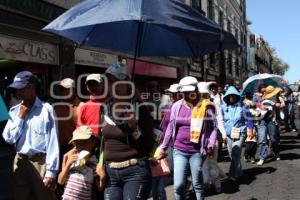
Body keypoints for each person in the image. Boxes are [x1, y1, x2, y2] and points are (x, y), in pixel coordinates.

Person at [156, 76, 217, 200]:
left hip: (197, 152)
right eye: (184, 92)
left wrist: (211, 143)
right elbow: (170, 128)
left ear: (196, 90)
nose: (187, 94)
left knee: (197, 184)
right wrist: (163, 147)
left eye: (190, 92)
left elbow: (212, 127)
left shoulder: (206, 106)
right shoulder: (176, 106)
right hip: (179, 150)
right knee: (178, 185)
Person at [2, 71, 59, 200]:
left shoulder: (46, 110)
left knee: (44, 197)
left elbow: (53, 142)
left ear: (31, 87)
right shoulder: (15, 111)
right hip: (20, 162)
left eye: (21, 88)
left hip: (40, 163)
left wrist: (51, 172)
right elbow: (9, 138)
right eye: (16, 89)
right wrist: (20, 117)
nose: (17, 93)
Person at [102, 63, 155, 200]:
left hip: (135, 171)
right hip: (110, 172)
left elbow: (148, 146)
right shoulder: (104, 108)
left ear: (126, 83)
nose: (110, 84)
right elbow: (102, 141)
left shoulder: (139, 108)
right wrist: (99, 164)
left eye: (114, 81)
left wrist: (133, 127)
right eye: (108, 81)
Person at [221, 86, 254, 182]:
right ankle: (239, 172)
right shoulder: (223, 107)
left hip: (240, 132)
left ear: (237, 96)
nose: (232, 97)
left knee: (236, 152)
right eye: (230, 96)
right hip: (228, 133)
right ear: (227, 97)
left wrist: (251, 130)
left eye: (234, 95)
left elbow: (249, 119)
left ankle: (232, 175)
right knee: (232, 154)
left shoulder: (243, 106)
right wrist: (222, 134)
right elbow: (220, 120)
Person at [58, 126, 100, 200]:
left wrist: (102, 177)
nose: (81, 146)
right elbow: (60, 181)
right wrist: (68, 164)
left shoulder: (94, 162)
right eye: (77, 143)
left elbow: (99, 188)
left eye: (85, 142)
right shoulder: (70, 158)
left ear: (93, 143)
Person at [54, 78, 83, 157]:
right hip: (58, 148)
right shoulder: (56, 107)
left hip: (76, 148)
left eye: (67, 89)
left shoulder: (82, 107)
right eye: (62, 90)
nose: (64, 92)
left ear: (74, 90)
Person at [256, 86, 283, 166]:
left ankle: (276, 152)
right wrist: (259, 106)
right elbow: (256, 108)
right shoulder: (260, 99)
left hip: (271, 121)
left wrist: (278, 105)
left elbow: (281, 105)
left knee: (273, 138)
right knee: (262, 140)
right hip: (262, 121)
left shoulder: (276, 99)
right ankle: (262, 157)